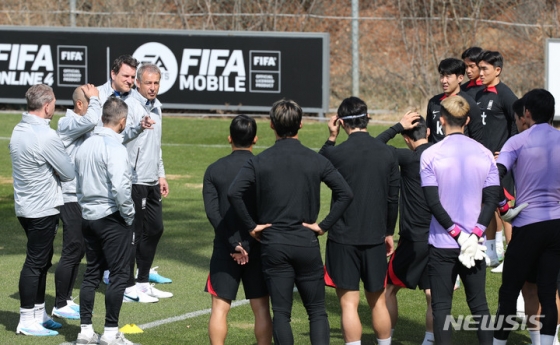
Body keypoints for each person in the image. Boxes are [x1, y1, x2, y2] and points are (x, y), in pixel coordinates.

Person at [228, 99, 353, 345]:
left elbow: (234, 193)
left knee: (282, 314)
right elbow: (346, 193)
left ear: (272, 125)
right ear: (301, 125)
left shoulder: (259, 160)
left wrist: (252, 227)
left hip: (274, 245)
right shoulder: (314, 159)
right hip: (305, 242)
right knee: (317, 311)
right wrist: (323, 225)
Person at [420, 95, 500, 345]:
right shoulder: (485, 153)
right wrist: (475, 234)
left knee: (442, 307)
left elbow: (433, 203)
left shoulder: (430, 154)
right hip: (474, 245)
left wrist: (457, 234)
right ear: (467, 120)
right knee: (480, 306)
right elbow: (492, 199)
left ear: (442, 121)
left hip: (443, 243)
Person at [318, 97, 399, 345]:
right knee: (377, 301)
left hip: (343, 237)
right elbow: (392, 198)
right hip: (375, 235)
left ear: (341, 122)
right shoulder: (387, 153)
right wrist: (387, 232)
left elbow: (318, 165)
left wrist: (331, 138)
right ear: (367, 119)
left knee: (348, 304)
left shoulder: (337, 153)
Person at [493, 89, 560, 345]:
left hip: (527, 224)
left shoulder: (517, 141)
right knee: (547, 291)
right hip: (556, 226)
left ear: (527, 113)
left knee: (509, 291)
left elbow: (493, 175)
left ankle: (498, 342)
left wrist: (502, 205)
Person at [10, 84, 75, 336]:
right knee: (35, 263)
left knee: (42, 260)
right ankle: (27, 319)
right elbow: (68, 172)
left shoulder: (18, 129)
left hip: (25, 206)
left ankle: (39, 313)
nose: (55, 108)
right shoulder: (46, 136)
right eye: (54, 104)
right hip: (42, 208)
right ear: (46, 105)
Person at [74, 97, 139, 345]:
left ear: (102, 118)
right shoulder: (116, 148)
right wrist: (129, 215)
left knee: (92, 273)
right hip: (111, 217)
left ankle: (85, 331)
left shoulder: (85, 145)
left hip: (88, 216)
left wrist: (85, 207)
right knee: (120, 274)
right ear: (122, 122)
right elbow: (122, 188)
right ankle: (110, 333)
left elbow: (77, 182)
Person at [203, 115, 272, 345]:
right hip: (259, 248)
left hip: (225, 248)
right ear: (255, 139)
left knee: (219, 310)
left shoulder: (213, 170)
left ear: (229, 138)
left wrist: (234, 244)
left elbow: (214, 214)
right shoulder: (264, 168)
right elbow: (269, 211)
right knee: (261, 309)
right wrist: (250, 244)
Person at [377, 112, 435, 345]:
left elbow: (373, 145)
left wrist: (396, 126)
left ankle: (386, 338)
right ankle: (430, 340)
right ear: (428, 132)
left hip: (413, 237)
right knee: (432, 294)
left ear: (405, 138)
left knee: (387, 289)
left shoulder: (407, 158)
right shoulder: (441, 154)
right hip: (439, 236)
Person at [118, 63, 172, 303]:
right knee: (134, 234)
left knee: (155, 228)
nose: (152, 88)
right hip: (134, 179)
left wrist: (161, 174)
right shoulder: (129, 106)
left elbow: (155, 145)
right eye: (148, 83)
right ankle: (128, 285)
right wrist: (138, 128)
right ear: (137, 83)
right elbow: (118, 135)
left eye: (156, 83)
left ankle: (142, 280)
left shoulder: (157, 107)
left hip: (151, 179)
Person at [51, 84, 102, 321]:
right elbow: (93, 120)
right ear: (80, 104)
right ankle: (59, 303)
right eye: (90, 102)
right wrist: (96, 100)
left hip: (81, 196)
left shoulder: (83, 122)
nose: (94, 106)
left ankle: (67, 299)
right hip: (69, 196)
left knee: (79, 248)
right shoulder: (67, 123)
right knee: (72, 249)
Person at [475, 50, 518, 267]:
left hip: (500, 164)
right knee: (486, 205)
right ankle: (491, 252)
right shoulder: (480, 94)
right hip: (481, 162)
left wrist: (508, 150)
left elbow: (517, 123)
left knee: (504, 208)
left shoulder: (506, 95)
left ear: (497, 70)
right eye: (479, 68)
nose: (480, 73)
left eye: (485, 69)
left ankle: (513, 254)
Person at [426, 58, 483, 144]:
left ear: (460, 78)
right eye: (442, 76)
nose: (444, 81)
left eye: (448, 76)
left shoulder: (469, 104)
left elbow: (478, 140)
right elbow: (429, 135)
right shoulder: (433, 102)